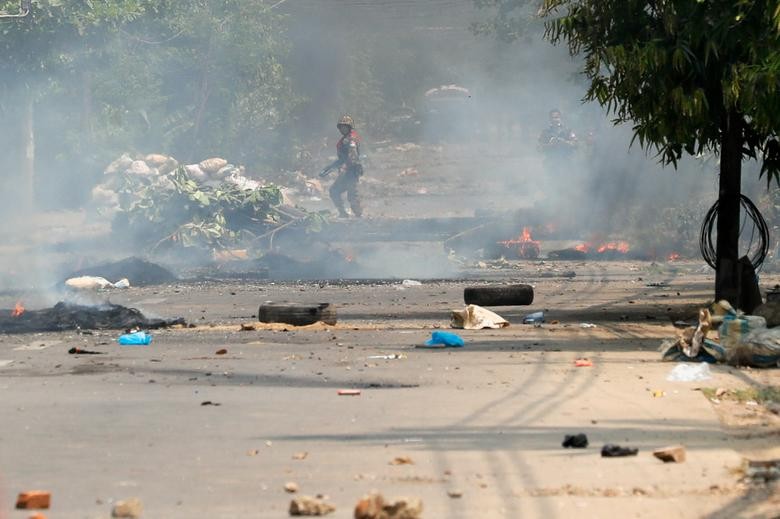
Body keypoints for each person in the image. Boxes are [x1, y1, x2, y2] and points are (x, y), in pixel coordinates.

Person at [320, 114, 363, 218]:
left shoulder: (351, 139)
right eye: (341, 127)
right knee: (334, 191)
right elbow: (342, 159)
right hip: (347, 171)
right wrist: (329, 168)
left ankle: (359, 217)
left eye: (345, 127)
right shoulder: (345, 140)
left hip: (351, 171)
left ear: (349, 127)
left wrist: (349, 166)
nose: (343, 129)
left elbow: (352, 155)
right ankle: (343, 213)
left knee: (352, 195)